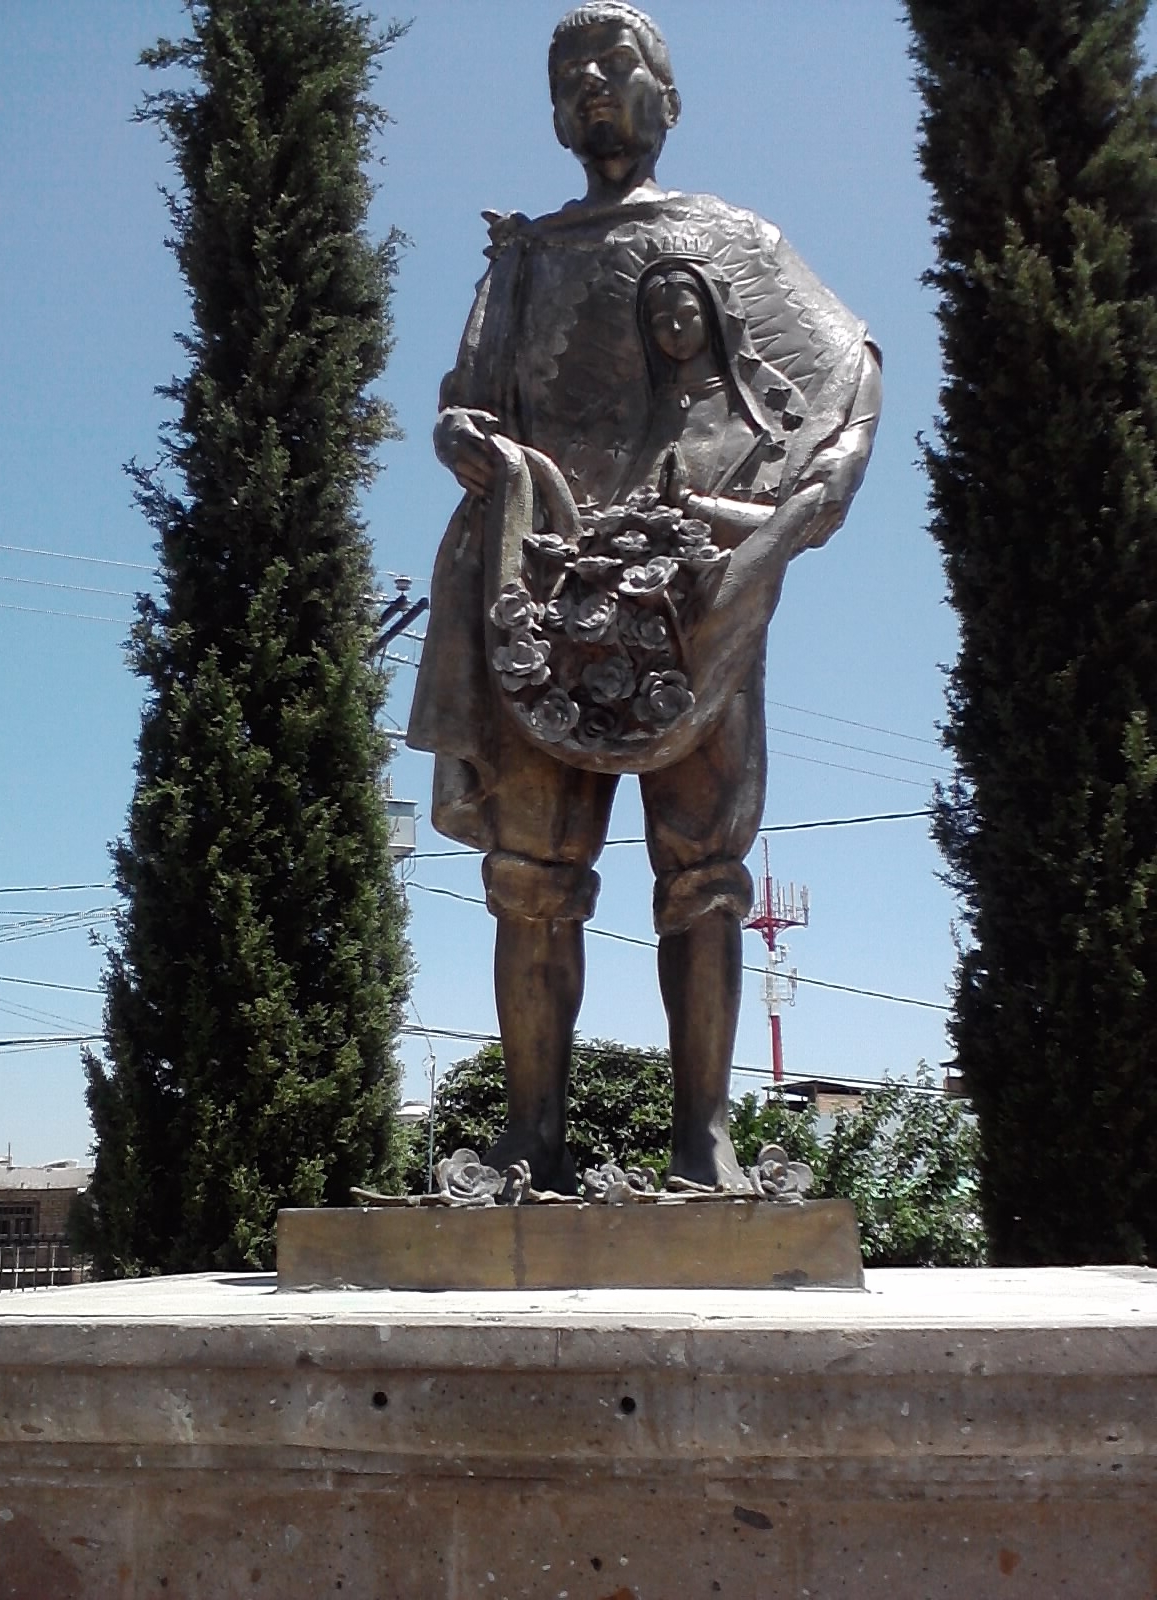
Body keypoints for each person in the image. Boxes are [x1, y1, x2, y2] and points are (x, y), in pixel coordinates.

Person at [408, 3, 881, 1192]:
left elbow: (844, 374)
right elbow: (467, 398)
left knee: (705, 869)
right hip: (539, 595)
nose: (593, 88)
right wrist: (467, 435)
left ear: (669, 97)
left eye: (617, 68)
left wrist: (783, 521)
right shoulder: (521, 258)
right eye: (570, 74)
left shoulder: (729, 240)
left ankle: (704, 1137)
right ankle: (532, 1137)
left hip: (692, 604)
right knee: (529, 878)